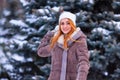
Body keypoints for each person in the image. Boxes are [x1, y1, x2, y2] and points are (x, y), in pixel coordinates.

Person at [37, 11, 90, 80]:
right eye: (62, 23)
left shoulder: (79, 40)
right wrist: (49, 35)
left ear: (72, 24)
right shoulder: (56, 42)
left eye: (68, 23)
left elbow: (84, 62)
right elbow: (41, 52)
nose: (65, 26)